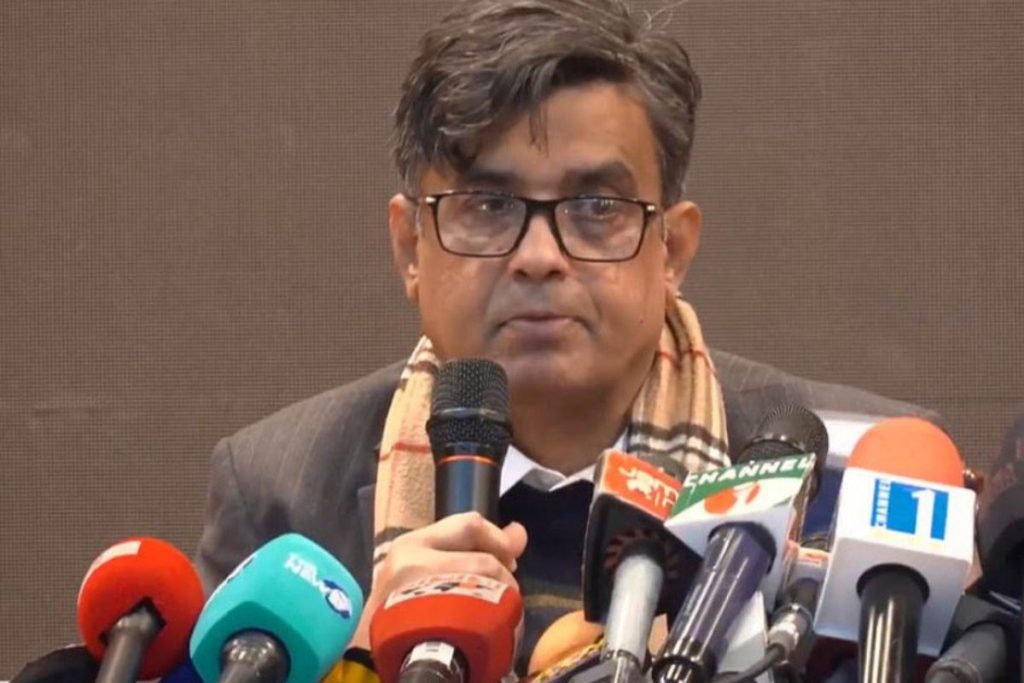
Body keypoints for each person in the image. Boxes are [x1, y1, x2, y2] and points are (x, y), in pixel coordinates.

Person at [194, 0, 937, 675]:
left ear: (673, 251)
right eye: (488, 205)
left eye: (595, 207)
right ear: (411, 247)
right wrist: (363, 655)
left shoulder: (859, 485)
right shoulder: (282, 498)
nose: (539, 256)